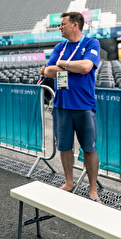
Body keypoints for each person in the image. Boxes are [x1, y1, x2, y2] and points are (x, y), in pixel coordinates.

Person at [43, 12, 101, 203]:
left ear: (75, 25)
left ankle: (93, 189)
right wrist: (68, 66)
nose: (60, 27)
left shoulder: (91, 43)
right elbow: (47, 71)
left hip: (84, 106)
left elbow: (86, 67)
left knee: (89, 149)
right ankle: (69, 182)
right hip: (61, 105)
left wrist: (62, 64)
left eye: (63, 24)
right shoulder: (60, 47)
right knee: (64, 147)